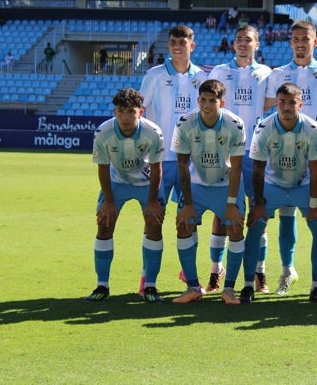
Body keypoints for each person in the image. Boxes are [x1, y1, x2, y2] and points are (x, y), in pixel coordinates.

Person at [261, 20, 317, 295]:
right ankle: (287, 271)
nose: (300, 43)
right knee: (286, 214)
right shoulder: (277, 74)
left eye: (305, 38)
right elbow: (269, 114)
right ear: (290, 42)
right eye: (295, 38)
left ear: (315, 42)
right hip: (284, 155)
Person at [244, 82, 317, 304]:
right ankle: (247, 286)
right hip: (272, 184)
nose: (286, 107)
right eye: (281, 102)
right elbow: (258, 169)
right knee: (255, 224)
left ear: (300, 104)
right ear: (275, 103)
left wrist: (313, 204)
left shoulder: (313, 129)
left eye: (292, 102)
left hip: (303, 184)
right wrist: (259, 203)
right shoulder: (264, 128)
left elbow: (315, 169)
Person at [138, 25, 208, 294]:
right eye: (172, 42)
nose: (177, 46)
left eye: (182, 42)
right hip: (158, 160)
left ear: (193, 45)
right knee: (153, 218)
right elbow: (141, 114)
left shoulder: (202, 77)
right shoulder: (154, 75)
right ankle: (147, 278)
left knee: (188, 220)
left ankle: (189, 274)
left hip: (191, 162)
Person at [206, 25, 272, 294]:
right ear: (233, 45)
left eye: (248, 40)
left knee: (258, 212)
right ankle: (214, 271)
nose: (243, 44)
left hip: (255, 153)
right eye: (238, 40)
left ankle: (259, 272)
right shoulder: (220, 72)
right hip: (225, 151)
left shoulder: (266, 74)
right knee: (223, 212)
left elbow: (268, 108)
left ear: (257, 45)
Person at [170, 79, 247, 304]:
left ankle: (229, 288)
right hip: (196, 185)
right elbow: (183, 166)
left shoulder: (235, 124)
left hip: (226, 185)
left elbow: (237, 167)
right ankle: (193, 287)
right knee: (184, 224)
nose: (206, 105)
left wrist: (232, 204)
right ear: (197, 100)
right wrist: (187, 203)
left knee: (235, 226)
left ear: (221, 102)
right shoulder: (185, 123)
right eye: (203, 100)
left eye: (212, 101)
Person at [85, 88, 166, 303]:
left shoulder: (153, 132)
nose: (125, 117)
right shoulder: (103, 132)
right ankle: (102, 285)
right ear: (114, 111)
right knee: (104, 223)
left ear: (141, 112)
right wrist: (109, 202)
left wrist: (152, 202)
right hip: (116, 182)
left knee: (154, 224)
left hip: (147, 183)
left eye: (131, 111)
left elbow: (157, 169)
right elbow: (102, 168)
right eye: (121, 111)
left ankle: (150, 286)